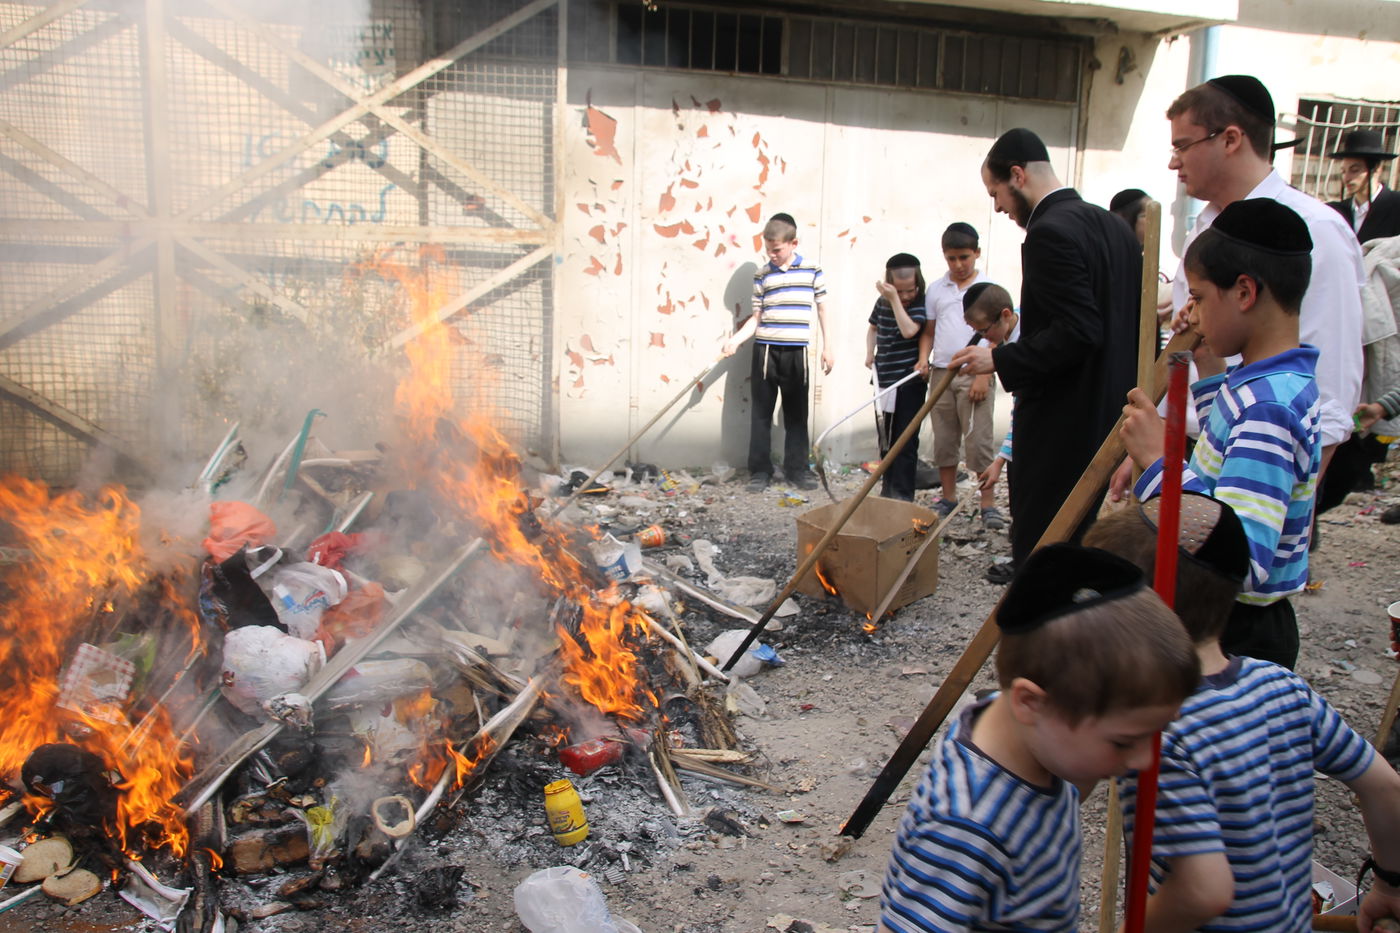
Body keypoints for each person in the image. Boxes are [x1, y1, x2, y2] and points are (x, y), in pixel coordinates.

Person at [1084, 493, 1400, 933]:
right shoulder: (1281, 684)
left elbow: (1197, 893)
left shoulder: (1157, 731)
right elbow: (1385, 787)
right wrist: (1388, 886)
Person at [878, 543, 1198, 933]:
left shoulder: (1020, 727)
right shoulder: (966, 829)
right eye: (1124, 741)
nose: (1146, 760)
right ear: (1030, 703)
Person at [1120, 198, 1320, 670]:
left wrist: (1160, 466)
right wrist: (1209, 371)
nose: (1191, 312)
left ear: (1245, 292)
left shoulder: (1268, 407)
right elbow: (1229, 455)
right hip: (1226, 621)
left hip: (1236, 634)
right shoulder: (1261, 382)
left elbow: (1240, 560)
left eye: (1201, 297)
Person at [949, 128, 1141, 571]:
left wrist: (997, 359)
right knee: (1086, 551)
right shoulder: (1116, 228)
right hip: (1110, 418)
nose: (997, 206)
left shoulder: (1049, 232)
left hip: (1065, 428)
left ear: (1017, 176)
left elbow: (1078, 332)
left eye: (996, 192)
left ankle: (1045, 634)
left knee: (1045, 553)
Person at [1160, 75, 1364, 478]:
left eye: (1183, 145)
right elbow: (1187, 347)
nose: (1173, 161)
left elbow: (1330, 384)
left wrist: (1302, 495)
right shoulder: (1203, 231)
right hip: (1199, 448)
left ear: (1230, 139)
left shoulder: (1315, 229)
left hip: (1265, 459)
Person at [722, 212, 833, 492]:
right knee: (761, 414)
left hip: (797, 353)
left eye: (777, 250)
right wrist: (736, 340)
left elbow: (822, 309)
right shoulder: (762, 275)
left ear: (793, 243)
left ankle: (798, 469)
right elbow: (757, 317)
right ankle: (760, 470)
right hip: (766, 351)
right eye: (768, 249)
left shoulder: (811, 269)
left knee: (797, 415)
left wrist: (828, 346)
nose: (771, 255)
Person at [920, 223, 1000, 527]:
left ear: (976, 253)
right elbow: (929, 331)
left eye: (964, 257)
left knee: (979, 438)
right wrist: (923, 360)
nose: (958, 265)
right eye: (951, 258)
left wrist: (985, 374)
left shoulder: (989, 288)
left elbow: (997, 335)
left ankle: (988, 505)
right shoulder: (937, 289)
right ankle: (949, 497)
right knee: (944, 438)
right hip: (942, 372)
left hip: (977, 370)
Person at [962, 282, 1020, 581]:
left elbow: (1023, 408)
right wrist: (1000, 461)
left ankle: (1029, 562)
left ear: (1005, 315)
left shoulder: (1024, 344)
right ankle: (1022, 554)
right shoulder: (1008, 339)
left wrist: (1000, 458)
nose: (984, 339)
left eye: (985, 331)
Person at [866, 253, 929, 501]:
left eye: (909, 290)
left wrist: (895, 300)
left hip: (908, 381)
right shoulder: (882, 302)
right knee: (886, 439)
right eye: (899, 291)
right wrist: (869, 352)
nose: (905, 296)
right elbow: (872, 328)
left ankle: (902, 497)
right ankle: (887, 492)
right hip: (884, 379)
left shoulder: (920, 302)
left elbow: (909, 330)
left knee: (905, 440)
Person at [1327, 128, 1400, 243]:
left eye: (1354, 170)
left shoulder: (1396, 206)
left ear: (1377, 169)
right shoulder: (1335, 210)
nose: (1346, 178)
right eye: (1343, 171)